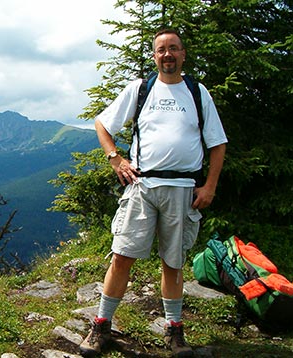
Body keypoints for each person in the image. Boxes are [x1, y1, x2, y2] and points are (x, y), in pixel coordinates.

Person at [79, 28, 227, 357]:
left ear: (183, 54)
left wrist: (210, 186)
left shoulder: (197, 93)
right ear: (155, 55)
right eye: (161, 50)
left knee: (173, 263)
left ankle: (174, 332)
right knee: (122, 256)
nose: (168, 55)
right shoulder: (141, 89)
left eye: (173, 49)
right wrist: (115, 159)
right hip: (142, 186)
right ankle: (101, 326)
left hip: (184, 188)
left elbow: (217, 144)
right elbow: (102, 124)